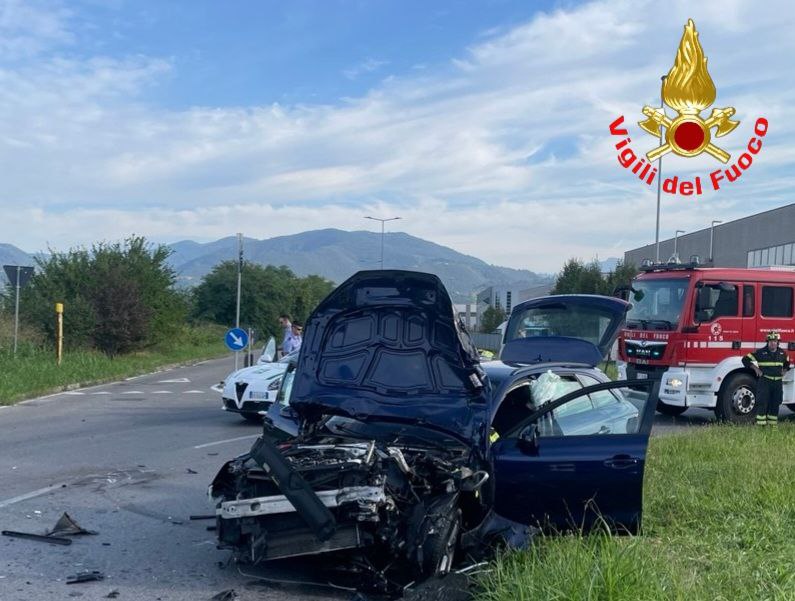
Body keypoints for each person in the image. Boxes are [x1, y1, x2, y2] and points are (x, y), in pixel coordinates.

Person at [742, 331, 791, 427]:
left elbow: (788, 362)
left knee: (775, 403)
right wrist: (756, 369)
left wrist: (784, 370)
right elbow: (745, 359)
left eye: (775, 341)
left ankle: (773, 426)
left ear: (778, 342)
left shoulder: (782, 353)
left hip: (777, 383)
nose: (773, 343)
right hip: (765, 382)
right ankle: (761, 427)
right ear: (767, 342)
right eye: (770, 341)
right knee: (762, 403)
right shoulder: (760, 352)